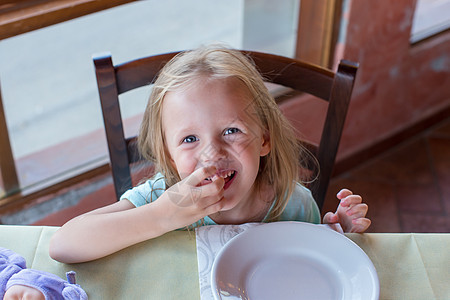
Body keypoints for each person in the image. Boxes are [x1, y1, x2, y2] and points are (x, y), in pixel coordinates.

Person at [49, 45, 370, 264]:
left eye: (231, 130)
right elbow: (63, 245)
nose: (212, 152)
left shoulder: (294, 204)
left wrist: (335, 234)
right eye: (189, 138)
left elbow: (307, 259)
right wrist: (162, 215)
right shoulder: (163, 197)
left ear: (264, 140)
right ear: (170, 157)